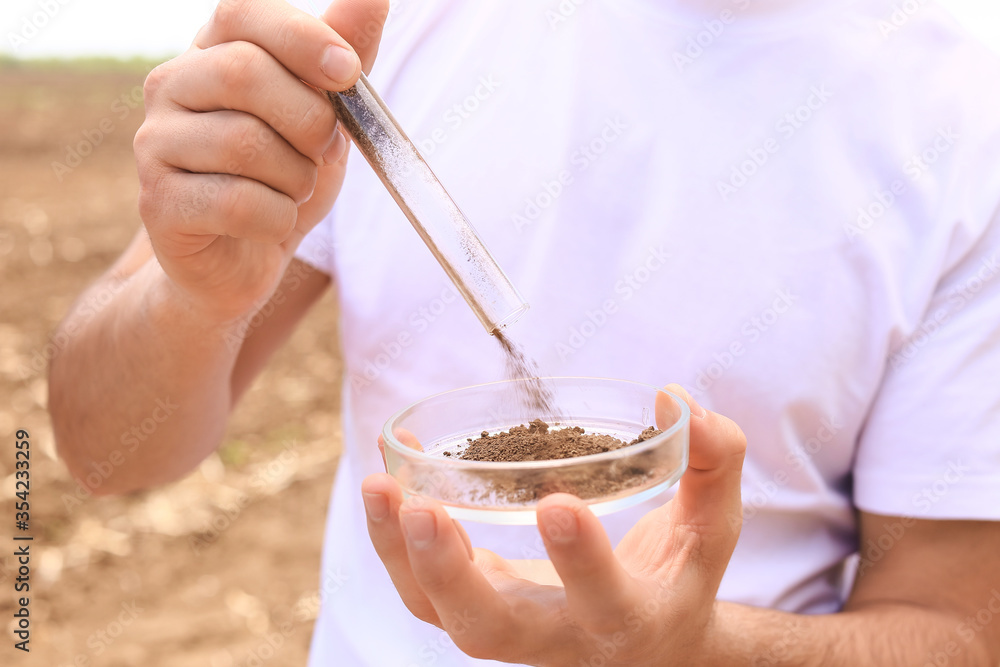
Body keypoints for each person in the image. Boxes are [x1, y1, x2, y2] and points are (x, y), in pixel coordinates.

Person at [49, 0, 1000, 664]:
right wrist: (193, 301)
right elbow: (105, 451)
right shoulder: (369, 31)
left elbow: (954, 627)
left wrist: (703, 650)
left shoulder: (965, 116)